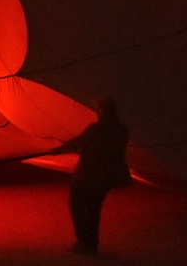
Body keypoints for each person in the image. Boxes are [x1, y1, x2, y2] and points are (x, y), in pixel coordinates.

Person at [42, 96, 132, 255]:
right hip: (108, 177)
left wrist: (58, 150)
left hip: (89, 176)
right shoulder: (122, 129)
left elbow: (79, 142)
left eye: (98, 108)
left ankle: (84, 241)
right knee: (93, 207)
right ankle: (91, 242)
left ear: (102, 110)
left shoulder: (96, 129)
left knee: (77, 204)